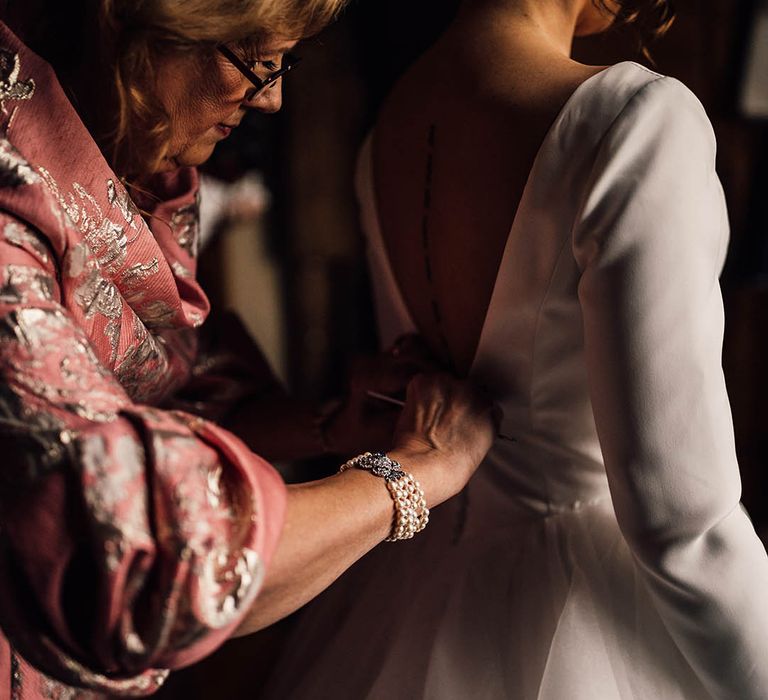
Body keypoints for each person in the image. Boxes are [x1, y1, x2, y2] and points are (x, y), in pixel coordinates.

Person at [260, 1, 768, 698]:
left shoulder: (392, 127)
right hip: (591, 615)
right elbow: (680, 518)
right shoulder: (636, 122)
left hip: (413, 598)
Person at [0, 1, 498, 697]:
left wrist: (321, 423)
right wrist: (413, 476)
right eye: (257, 61)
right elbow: (148, 558)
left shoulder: (121, 156)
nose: (273, 99)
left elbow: (141, 395)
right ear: (127, 20)